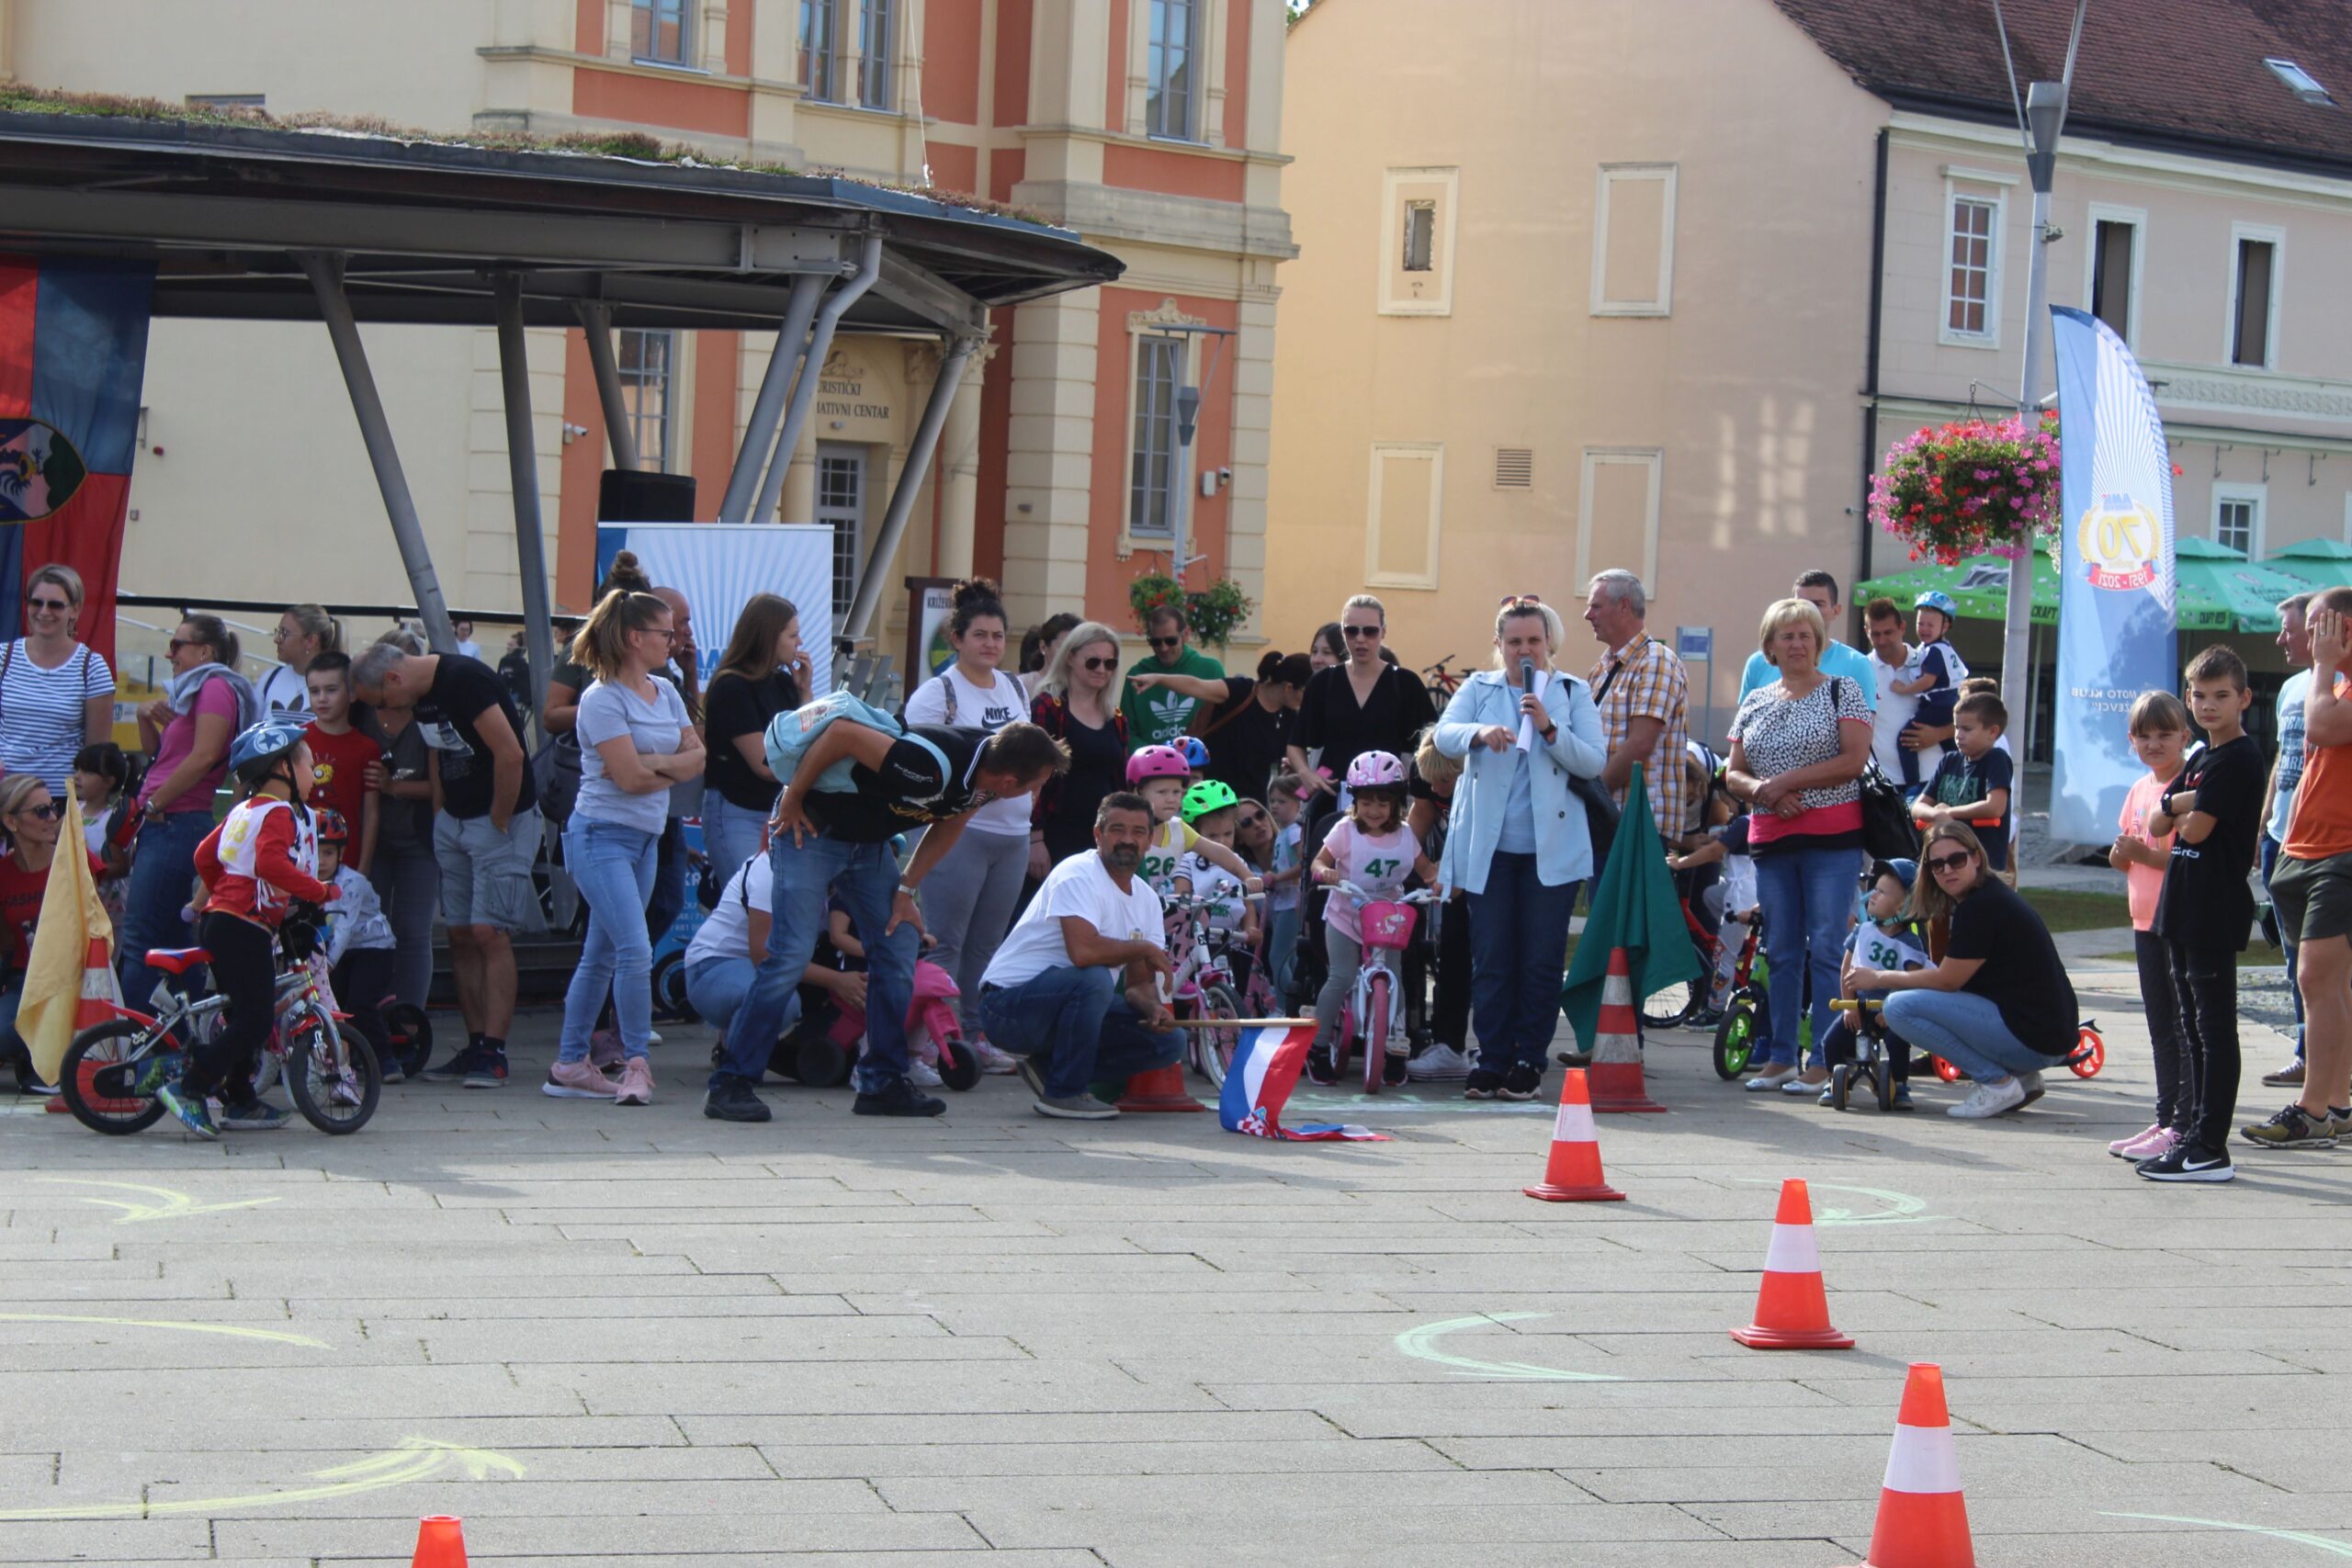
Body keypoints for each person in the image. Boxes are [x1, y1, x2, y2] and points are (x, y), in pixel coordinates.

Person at [718, 700, 1071, 1118]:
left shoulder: (988, 773)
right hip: (811, 829)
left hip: (868, 845)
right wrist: (792, 797)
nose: (1036, 794)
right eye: (1037, 786)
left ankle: (881, 1081)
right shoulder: (929, 765)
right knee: (790, 954)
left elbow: (951, 822)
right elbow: (842, 733)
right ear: (1012, 781)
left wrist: (906, 890)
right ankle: (731, 1082)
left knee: (899, 943)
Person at [1432, 599, 1607, 1101]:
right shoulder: (1479, 688)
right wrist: (1479, 733)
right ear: (1499, 645)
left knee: (1540, 960)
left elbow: (1593, 761)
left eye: (1533, 640)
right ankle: (1491, 1058)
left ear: (1548, 642)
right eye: (1514, 642)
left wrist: (1549, 728)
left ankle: (1529, 1058)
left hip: (1550, 852)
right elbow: (1444, 736)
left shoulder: (1571, 691)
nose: (1524, 650)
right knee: (1492, 958)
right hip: (1490, 852)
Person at [349, 634, 538, 1089]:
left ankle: (494, 1052)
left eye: (382, 702)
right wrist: (441, 816)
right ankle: (476, 1044)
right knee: (460, 933)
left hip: (497, 820)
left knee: (490, 932)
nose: (386, 713)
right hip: (454, 821)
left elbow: (511, 753)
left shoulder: (464, 680)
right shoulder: (422, 695)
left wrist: (498, 819)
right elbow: (439, 753)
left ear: (394, 678)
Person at [540, 590, 702, 1107]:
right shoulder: (602, 698)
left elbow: (697, 757)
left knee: (603, 953)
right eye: (665, 633)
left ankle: (569, 1064)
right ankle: (636, 1063)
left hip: (645, 838)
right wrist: (663, 767)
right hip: (600, 835)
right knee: (634, 949)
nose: (673, 641)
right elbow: (629, 780)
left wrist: (651, 764)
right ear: (636, 638)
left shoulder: (666, 691)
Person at [149, 721, 336, 1139]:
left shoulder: (243, 811)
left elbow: (205, 856)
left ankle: (240, 1098)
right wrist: (318, 889)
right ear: (283, 768)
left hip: (220, 920)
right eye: (308, 765)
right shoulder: (280, 812)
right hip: (243, 926)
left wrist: (217, 896)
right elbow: (271, 864)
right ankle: (191, 1087)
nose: (314, 775)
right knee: (255, 1019)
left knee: (239, 1014)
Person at [1724, 597, 1872, 1092]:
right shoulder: (1756, 701)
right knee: (1782, 950)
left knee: (1827, 948)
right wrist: (1766, 792)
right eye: (1787, 636)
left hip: (1832, 840)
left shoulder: (1843, 691)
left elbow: (1853, 760)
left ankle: (1826, 1059)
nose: (1797, 644)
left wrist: (1784, 783)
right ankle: (1781, 1055)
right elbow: (1733, 773)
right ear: (1770, 646)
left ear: (1819, 642)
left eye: (1806, 635)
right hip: (1772, 840)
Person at [977, 792, 1186, 1119]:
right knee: (1094, 979)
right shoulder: (1077, 872)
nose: (1127, 840)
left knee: (1170, 1042)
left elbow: (1137, 985)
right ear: (1097, 834)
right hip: (1006, 1008)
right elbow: (1083, 953)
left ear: (1149, 841)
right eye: (1117, 829)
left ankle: (1051, 1069)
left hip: (1068, 1005)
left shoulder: (1147, 900)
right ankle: (1065, 1092)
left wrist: (1152, 1008)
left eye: (1138, 832)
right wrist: (1144, 948)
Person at [2133, 646, 2258, 1179]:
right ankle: (2190, 1137)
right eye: (2201, 696)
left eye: (2221, 696)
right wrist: (2178, 803)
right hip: (2180, 905)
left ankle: (2210, 1147)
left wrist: (2178, 805)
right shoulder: (2202, 758)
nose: (2209, 706)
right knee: (2189, 1025)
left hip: (2213, 908)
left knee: (2213, 1027)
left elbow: (2198, 829)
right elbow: (2158, 823)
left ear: (2244, 699)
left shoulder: (2239, 758)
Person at [1862, 822, 2078, 1120]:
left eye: (1956, 859)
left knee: (1898, 1007)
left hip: (2035, 1039)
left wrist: (1879, 978)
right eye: (1937, 864)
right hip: (2047, 1036)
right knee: (1913, 1002)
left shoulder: (1980, 907)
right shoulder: (1988, 897)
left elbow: (1947, 981)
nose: (1947, 870)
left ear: (1976, 857)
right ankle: (2021, 1078)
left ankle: (1996, 1082)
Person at [901, 579, 1037, 1047]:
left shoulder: (1014, 687)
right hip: (959, 833)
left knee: (988, 946)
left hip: (1013, 835)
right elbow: (916, 768)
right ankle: (921, 1046)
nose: (990, 644)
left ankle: (975, 1039)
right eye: (980, 635)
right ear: (956, 639)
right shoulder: (937, 693)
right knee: (945, 943)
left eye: (998, 636)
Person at [119, 615, 254, 998]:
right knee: (173, 939)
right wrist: (144, 716)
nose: (169, 654)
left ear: (205, 651)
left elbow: (205, 756)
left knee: (141, 938)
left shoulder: (214, 687)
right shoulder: (199, 689)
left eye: (177, 645)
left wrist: (154, 804)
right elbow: (162, 756)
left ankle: (134, 1031)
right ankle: (191, 1028)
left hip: (175, 823)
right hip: (169, 824)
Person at [2260, 586, 2352, 1149]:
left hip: (2340, 854)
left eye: (2317, 625)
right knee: (2331, 985)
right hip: (2305, 849)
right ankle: (2338, 1104)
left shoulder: (2328, 685)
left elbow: (2321, 728)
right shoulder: (2334, 685)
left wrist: (2321, 666)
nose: (2307, 637)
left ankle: (2313, 1110)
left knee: (2316, 980)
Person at [684, 847, 870, 1122]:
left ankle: (786, 1050)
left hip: (778, 968)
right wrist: (837, 980)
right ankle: (732, 1070)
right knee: (782, 1001)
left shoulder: (840, 872)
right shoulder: (771, 868)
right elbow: (765, 956)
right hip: (713, 966)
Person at [1305, 750, 1434, 1087]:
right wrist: (1325, 872)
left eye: (1382, 803)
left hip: (1387, 918)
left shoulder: (1405, 835)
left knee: (1395, 979)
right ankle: (1318, 1048)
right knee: (1341, 976)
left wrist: (1439, 883)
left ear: (1396, 804)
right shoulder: (1345, 830)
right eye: (1365, 803)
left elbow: (1426, 871)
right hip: (1346, 915)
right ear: (1354, 801)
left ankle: (1396, 1045)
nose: (1373, 811)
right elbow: (1318, 862)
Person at [2107, 691, 2190, 1162]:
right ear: (2131, 740)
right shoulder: (2139, 789)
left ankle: (2182, 1122)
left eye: (2164, 734)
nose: (2154, 744)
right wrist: (2123, 856)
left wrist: (2141, 854)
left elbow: (2184, 859)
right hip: (2143, 919)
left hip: (2175, 917)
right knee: (2160, 1025)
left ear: (2184, 736)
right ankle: (2164, 1116)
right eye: (2144, 736)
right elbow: (2128, 851)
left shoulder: (2187, 787)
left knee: (2181, 1025)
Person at [0, 774, 106, 1095]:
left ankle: (37, 1058)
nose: (52, 818)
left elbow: (96, 928)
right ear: (11, 822)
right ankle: (31, 1057)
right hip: (25, 981)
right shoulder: (4, 874)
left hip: (73, 981)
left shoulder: (76, 860)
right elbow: (5, 945)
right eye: (41, 811)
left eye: (54, 808)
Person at [701, 593, 806, 881]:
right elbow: (764, 764)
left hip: (775, 811)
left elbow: (806, 737)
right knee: (747, 897)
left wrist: (804, 692)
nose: (799, 643)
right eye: (792, 635)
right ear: (769, 637)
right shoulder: (732, 687)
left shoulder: (782, 682)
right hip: (738, 811)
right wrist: (811, 765)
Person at [1583, 571, 1690, 837]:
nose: (1588, 615)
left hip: (1638, 826)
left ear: (1623, 606)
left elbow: (1641, 744)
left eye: (1596, 606)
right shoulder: (1601, 668)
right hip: (1609, 821)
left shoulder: (1656, 661)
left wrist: (1595, 799)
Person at [359, 663, 440, 1018]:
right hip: (369, 838)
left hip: (418, 838)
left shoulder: (429, 715)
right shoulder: (361, 712)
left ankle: (408, 1020)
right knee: (367, 927)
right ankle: (367, 1014)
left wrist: (393, 786)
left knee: (413, 930)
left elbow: (442, 787)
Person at [1816, 857, 1928, 1111]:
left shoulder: (1910, 942)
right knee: (1831, 1041)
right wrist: (1849, 1005)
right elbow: (1847, 969)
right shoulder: (1863, 931)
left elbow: (1913, 980)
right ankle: (1834, 1080)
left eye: (1882, 892)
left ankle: (1900, 1084)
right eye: (1875, 889)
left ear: (1903, 906)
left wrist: (1893, 1010)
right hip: (1861, 1005)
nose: (1873, 896)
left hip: (1890, 1009)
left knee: (1898, 1041)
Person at [1131, 649, 1310, 805]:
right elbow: (1197, 685)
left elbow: (1301, 767)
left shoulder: (1290, 717)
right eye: (1307, 692)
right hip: (1211, 800)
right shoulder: (1242, 691)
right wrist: (1158, 679)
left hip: (1252, 806)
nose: (1311, 699)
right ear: (1288, 687)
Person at [2261, 592, 2315, 1089]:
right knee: (2294, 957)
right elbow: (2283, 757)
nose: (2281, 639)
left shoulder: (2340, 686)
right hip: (2280, 838)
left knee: (2324, 962)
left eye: (2289, 630)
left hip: (2322, 845)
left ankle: (2327, 1062)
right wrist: (2263, 823)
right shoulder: (2291, 687)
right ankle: (2305, 1053)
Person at [0, 563, 115, 795]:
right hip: (6, 795)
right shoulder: (4, 657)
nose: (44, 612)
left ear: (75, 610)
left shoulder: (92, 667)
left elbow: (96, 753)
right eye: (36, 602)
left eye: (55, 605)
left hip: (61, 798)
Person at [1029, 622, 1129, 871]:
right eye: (1093, 662)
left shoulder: (1116, 717)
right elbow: (1032, 777)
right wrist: (1035, 838)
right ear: (1070, 657)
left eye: (1110, 663)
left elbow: (1120, 781)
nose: (1101, 669)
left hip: (1102, 834)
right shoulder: (1048, 707)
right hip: (1055, 832)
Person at [312, 807, 397, 1073]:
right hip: (339, 952)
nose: (321, 861)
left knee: (359, 1003)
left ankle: (386, 1060)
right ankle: (337, 1058)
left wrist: (326, 966)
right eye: (315, 852)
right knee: (331, 1004)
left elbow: (344, 929)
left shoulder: (352, 883)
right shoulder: (304, 880)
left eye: (328, 853)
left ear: (341, 854)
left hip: (373, 949)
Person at [1125, 743, 1260, 897]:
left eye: (1177, 792)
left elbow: (1218, 852)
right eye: (1162, 792)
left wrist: (1247, 876)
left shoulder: (1178, 829)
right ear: (1138, 792)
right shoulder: (1125, 830)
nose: (1171, 799)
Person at [1736, 570, 1878, 709]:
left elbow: (1864, 722)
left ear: (1835, 611)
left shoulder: (1856, 665)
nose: (1808, 611)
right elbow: (1745, 719)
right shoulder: (1758, 663)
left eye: (1818, 604)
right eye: (1802, 604)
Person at [1914, 693, 2014, 873]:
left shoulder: (1996, 759)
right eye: (1956, 728)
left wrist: (1949, 813)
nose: (1959, 735)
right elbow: (1917, 807)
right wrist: (1936, 815)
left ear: (1992, 732)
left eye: (1967, 729)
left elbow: (1995, 807)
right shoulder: (1949, 761)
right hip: (1945, 863)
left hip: (1982, 867)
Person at [302, 652, 379, 879]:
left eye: (331, 690)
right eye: (314, 691)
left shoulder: (367, 748)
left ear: (352, 693)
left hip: (346, 862)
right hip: (300, 856)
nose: (322, 698)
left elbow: (371, 812)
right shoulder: (296, 740)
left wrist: (364, 867)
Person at [1889, 591, 1966, 789]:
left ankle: (1912, 785)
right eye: (1920, 623)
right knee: (1951, 747)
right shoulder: (1943, 648)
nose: (1924, 629)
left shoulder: (1934, 651)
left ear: (1945, 626)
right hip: (1949, 704)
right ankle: (1962, 778)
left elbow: (1927, 681)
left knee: (1905, 740)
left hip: (1938, 705)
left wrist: (1904, 689)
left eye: (1930, 625)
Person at [1122, 604, 1227, 750]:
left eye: (1171, 641)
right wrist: (1154, 756)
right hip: (1151, 763)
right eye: (1156, 642)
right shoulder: (1137, 675)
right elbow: (1127, 733)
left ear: (1186, 634)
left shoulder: (1211, 670)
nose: (1163, 648)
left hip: (1200, 763)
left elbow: (1224, 726)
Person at [1862, 598, 1922, 788]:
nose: (1882, 641)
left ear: (1902, 627)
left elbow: (1961, 713)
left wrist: (1938, 734)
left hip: (1930, 780)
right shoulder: (1862, 670)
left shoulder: (1927, 662)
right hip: (1881, 783)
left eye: (1888, 633)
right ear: (1866, 632)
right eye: (1875, 634)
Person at [256, 604, 341, 716]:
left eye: (284, 633)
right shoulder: (270, 679)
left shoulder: (336, 685)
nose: (277, 639)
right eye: (278, 632)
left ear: (310, 641)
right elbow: (254, 725)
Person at [1019, 612, 1081, 699]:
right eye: (1063, 647)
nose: (1069, 654)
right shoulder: (1023, 685)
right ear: (1043, 647)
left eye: (1075, 648)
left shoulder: (1085, 687)